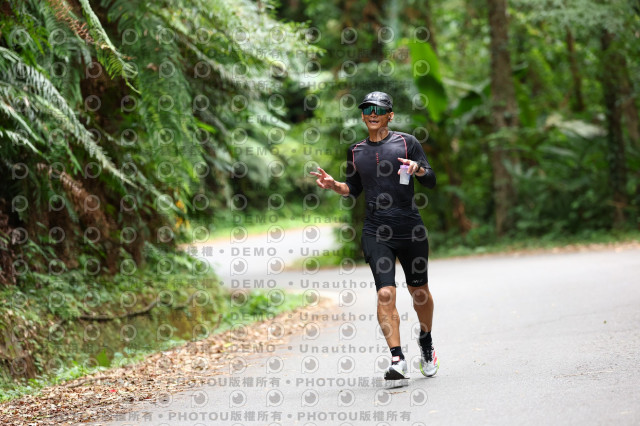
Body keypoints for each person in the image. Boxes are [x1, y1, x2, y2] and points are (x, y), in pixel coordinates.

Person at [309, 91, 438, 380]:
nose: (372, 113)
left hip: (410, 228)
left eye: (378, 109)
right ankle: (397, 359)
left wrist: (418, 169)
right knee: (385, 292)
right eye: (367, 109)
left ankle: (426, 341)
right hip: (376, 230)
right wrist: (334, 185)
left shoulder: (407, 142)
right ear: (362, 115)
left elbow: (431, 179)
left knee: (419, 292)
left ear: (390, 115)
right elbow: (352, 188)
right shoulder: (356, 151)